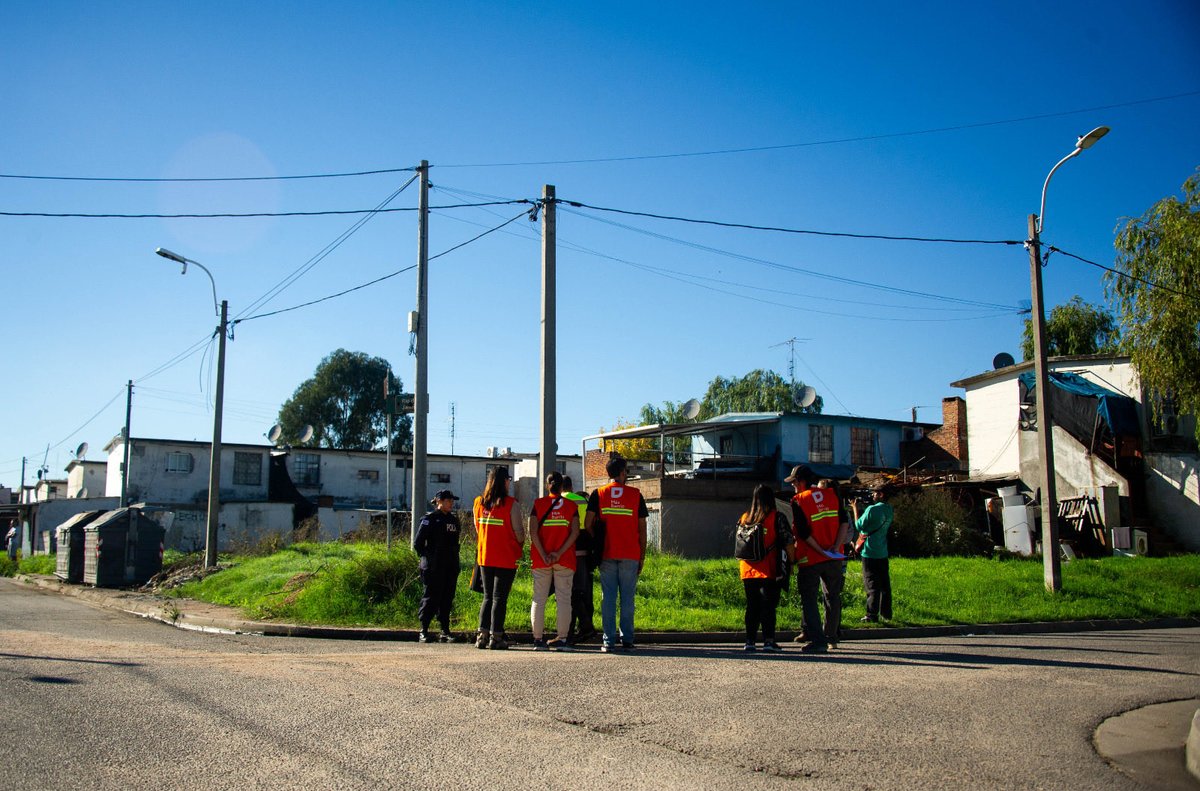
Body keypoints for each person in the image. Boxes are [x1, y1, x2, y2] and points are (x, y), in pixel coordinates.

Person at [585, 456, 648, 653]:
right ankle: (627, 639)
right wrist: (642, 556)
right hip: (630, 554)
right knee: (628, 598)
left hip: (606, 553)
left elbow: (587, 523)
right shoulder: (636, 495)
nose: (626, 474)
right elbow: (642, 528)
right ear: (621, 473)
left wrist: (598, 538)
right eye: (626, 471)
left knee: (608, 598)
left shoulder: (599, 494)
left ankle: (608, 640)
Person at [787, 464, 846, 654]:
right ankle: (831, 637)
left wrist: (819, 549)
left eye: (794, 482)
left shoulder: (798, 500)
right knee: (832, 597)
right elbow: (844, 522)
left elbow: (803, 532)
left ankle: (818, 640)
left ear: (801, 482)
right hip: (834, 556)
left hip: (811, 558)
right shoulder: (831, 495)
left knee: (809, 599)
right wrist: (835, 547)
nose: (793, 486)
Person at [472, 466, 526, 650]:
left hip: (485, 557)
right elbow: (519, 533)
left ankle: (482, 636)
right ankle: (496, 637)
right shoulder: (511, 504)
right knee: (499, 598)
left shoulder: (479, 503)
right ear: (504, 481)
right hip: (506, 557)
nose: (510, 482)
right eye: (509, 479)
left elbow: (478, 528)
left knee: (487, 597)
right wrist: (521, 542)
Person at [737, 484, 795, 652]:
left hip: (747, 568)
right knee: (768, 605)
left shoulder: (744, 518)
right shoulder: (777, 517)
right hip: (769, 568)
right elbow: (788, 542)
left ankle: (750, 641)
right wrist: (791, 562)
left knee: (752, 605)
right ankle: (769, 641)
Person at [529, 471, 580, 651]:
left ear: (547, 485)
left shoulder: (538, 504)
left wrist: (544, 554)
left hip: (541, 560)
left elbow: (532, 532)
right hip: (564, 559)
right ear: (562, 485)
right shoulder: (571, 506)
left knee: (539, 599)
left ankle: (537, 640)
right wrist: (558, 553)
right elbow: (575, 532)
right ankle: (563, 639)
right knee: (564, 600)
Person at [413, 489, 463, 643]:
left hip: (450, 565)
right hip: (433, 566)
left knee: (447, 597)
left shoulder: (454, 521)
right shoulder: (430, 519)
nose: (451, 503)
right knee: (431, 597)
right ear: (439, 502)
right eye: (448, 500)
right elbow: (418, 543)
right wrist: (428, 558)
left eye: (452, 501)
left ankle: (445, 630)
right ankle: (424, 629)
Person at [850, 484, 894, 623]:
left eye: (875, 493)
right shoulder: (889, 510)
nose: (872, 495)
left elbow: (859, 526)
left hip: (869, 552)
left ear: (881, 494)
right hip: (882, 551)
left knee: (871, 584)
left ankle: (871, 615)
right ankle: (886, 614)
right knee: (884, 585)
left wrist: (855, 509)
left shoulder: (871, 509)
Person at [561, 476, 597, 644]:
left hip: (565, 551)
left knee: (568, 593)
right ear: (572, 486)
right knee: (581, 591)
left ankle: (579, 628)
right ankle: (583, 628)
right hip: (584, 551)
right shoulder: (582, 500)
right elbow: (591, 524)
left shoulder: (559, 501)